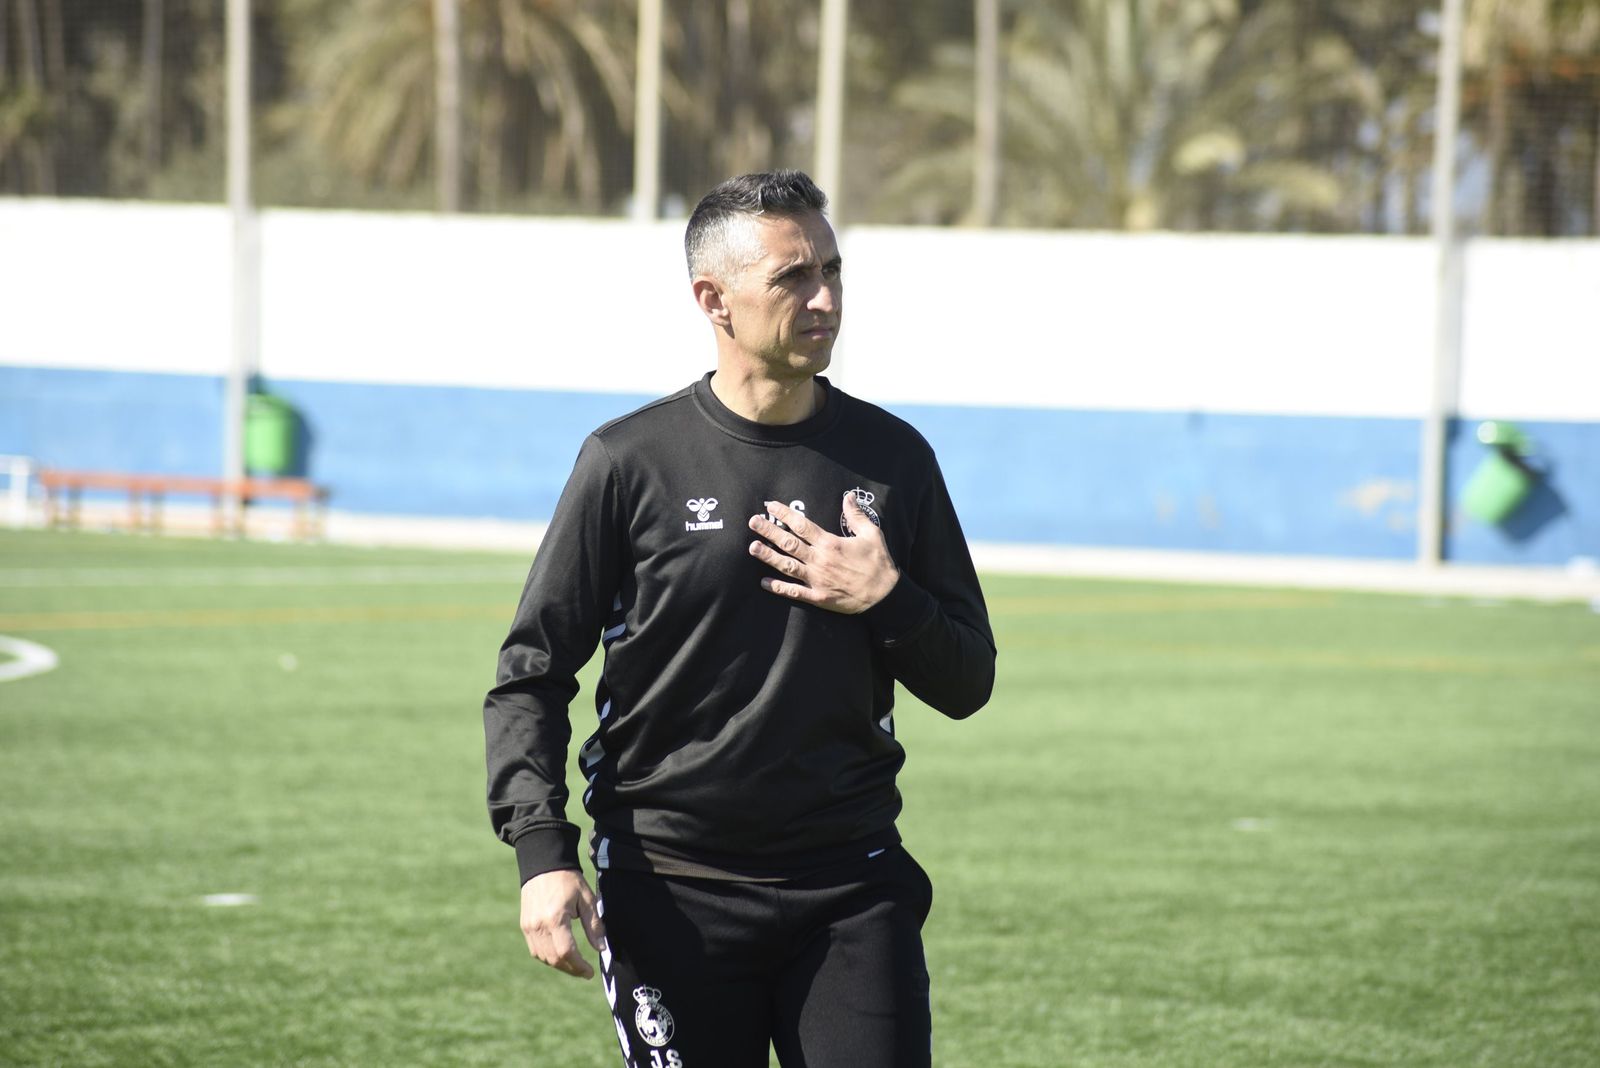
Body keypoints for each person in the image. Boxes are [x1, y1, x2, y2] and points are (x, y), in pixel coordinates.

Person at [484, 169, 995, 1068]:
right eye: (793, 278)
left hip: (852, 886)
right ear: (712, 299)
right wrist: (541, 850)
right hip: (671, 894)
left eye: (833, 270)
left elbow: (967, 681)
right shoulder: (627, 463)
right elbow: (532, 671)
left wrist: (887, 599)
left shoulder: (895, 461)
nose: (826, 298)